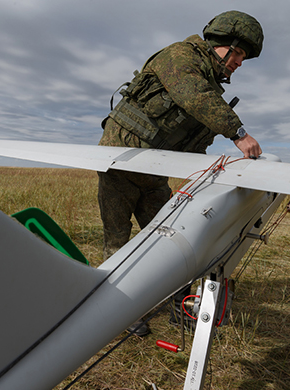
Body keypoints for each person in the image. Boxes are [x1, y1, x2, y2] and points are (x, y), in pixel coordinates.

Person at [97, 10, 264, 335]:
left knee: (166, 238)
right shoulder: (180, 57)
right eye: (239, 53)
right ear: (222, 44)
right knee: (117, 239)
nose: (240, 63)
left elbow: (193, 140)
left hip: (153, 170)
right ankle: (118, 311)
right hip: (120, 160)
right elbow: (194, 96)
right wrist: (239, 135)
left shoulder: (210, 87)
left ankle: (181, 306)